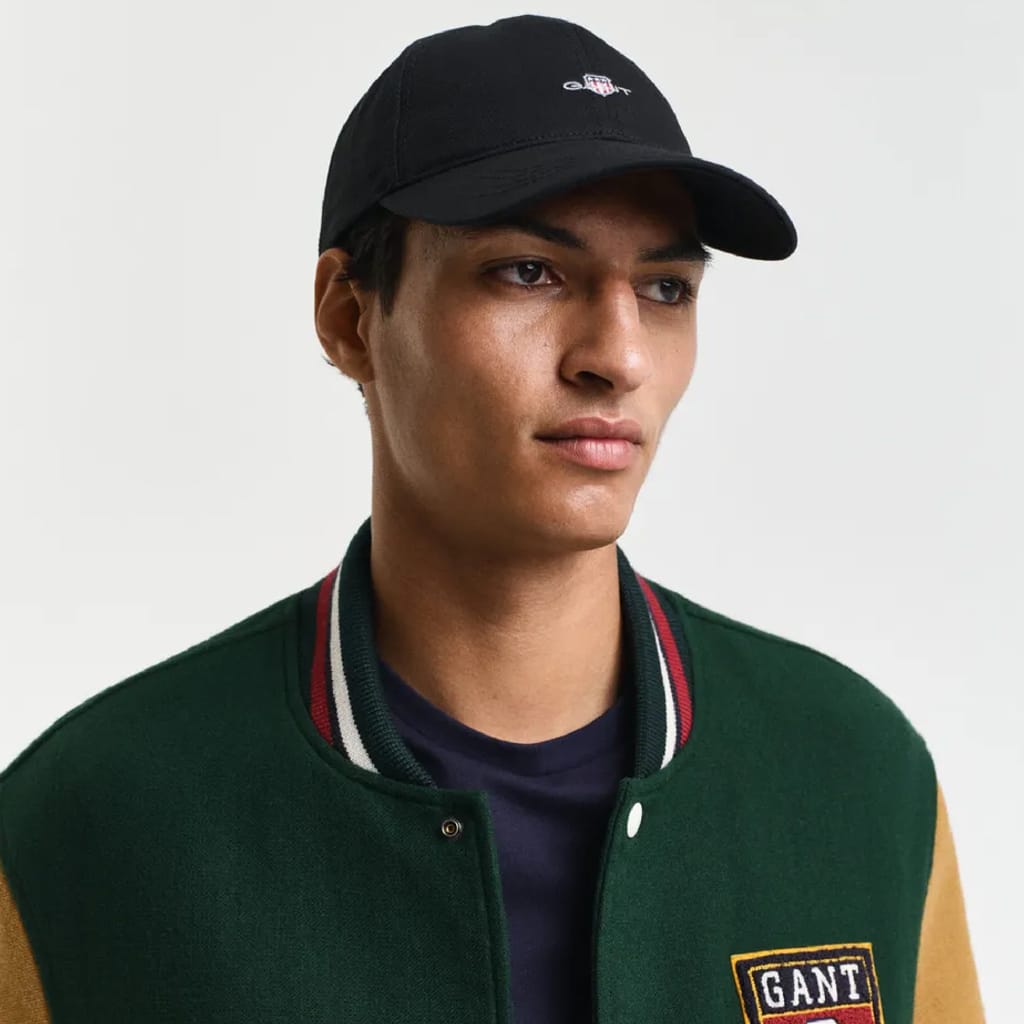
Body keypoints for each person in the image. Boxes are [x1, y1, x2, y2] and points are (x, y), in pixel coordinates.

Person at [0, 14, 984, 1024]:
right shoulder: (89, 822)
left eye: (665, 288)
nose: (618, 356)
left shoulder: (858, 779)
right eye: (528, 271)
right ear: (348, 316)